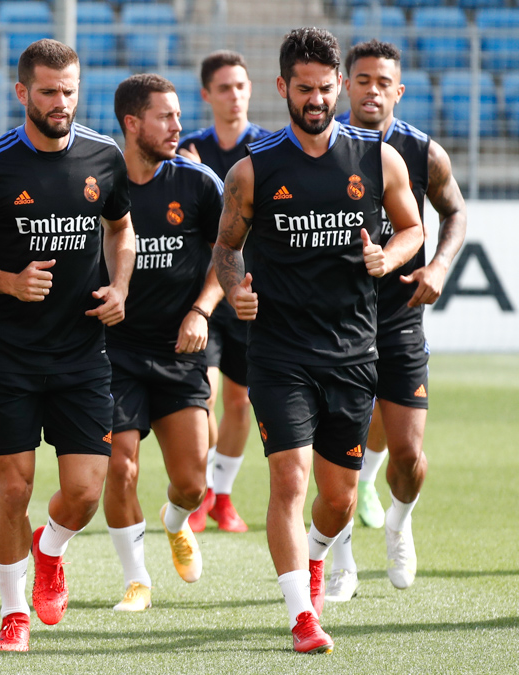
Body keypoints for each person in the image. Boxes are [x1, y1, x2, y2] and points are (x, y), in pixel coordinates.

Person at [212, 27, 423, 654]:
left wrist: (390, 254)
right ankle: (302, 615)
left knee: (337, 499)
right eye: (303, 88)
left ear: (339, 87)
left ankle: (315, 558)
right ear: (282, 88)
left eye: (325, 88)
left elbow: (412, 228)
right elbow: (226, 248)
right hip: (279, 354)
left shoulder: (377, 158)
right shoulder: (252, 170)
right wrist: (233, 288)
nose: (315, 99)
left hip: (355, 352)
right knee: (290, 482)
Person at [0, 39, 134, 652]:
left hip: (82, 353)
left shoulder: (105, 157)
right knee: (13, 490)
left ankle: (49, 550)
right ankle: (13, 612)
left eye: (70, 90)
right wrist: (8, 283)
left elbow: (121, 229)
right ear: (22, 91)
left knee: (83, 492)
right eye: (49, 91)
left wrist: (121, 287)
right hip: (10, 354)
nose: (62, 102)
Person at [324, 39, 467, 603]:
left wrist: (439, 265)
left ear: (398, 90)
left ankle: (399, 522)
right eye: (362, 80)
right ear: (345, 86)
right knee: (337, 449)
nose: (372, 91)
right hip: (332, 319)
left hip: (399, 313)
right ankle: (340, 561)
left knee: (407, 456)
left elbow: (454, 211)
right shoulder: (319, 148)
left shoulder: (422, 151)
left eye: (384, 82)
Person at [103, 74, 225, 613]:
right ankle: (137, 580)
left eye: (178, 116)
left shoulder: (198, 183)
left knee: (193, 485)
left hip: (181, 351)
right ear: (132, 124)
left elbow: (231, 255)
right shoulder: (97, 182)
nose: (178, 126)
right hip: (111, 351)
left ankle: (175, 523)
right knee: (120, 465)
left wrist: (201, 309)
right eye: (165, 117)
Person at [178, 50, 271, 533]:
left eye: (241, 85)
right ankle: (205, 491)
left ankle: (223, 497)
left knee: (241, 403)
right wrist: (188, 173)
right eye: (224, 88)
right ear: (206, 95)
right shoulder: (187, 151)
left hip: (253, 295)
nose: (234, 95)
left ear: (251, 89)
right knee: (207, 397)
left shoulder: (270, 149)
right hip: (206, 294)